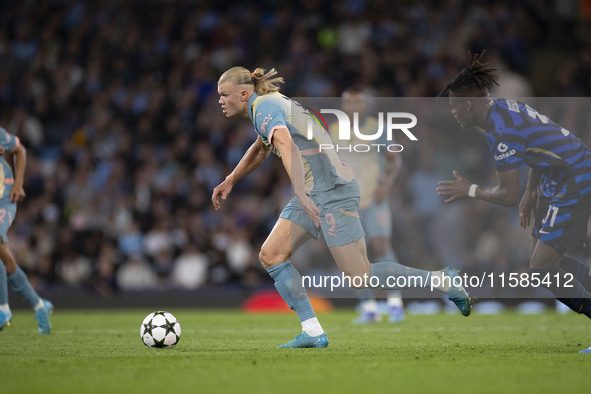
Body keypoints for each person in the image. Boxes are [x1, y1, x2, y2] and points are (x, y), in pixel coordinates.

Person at [212, 67, 471, 348]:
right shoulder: (266, 105)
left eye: (224, 94)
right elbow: (262, 148)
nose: (220, 101)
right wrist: (231, 179)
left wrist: (298, 190)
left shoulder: (264, 106)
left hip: (330, 190)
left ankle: (442, 280)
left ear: (243, 93)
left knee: (360, 275)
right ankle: (312, 332)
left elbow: (286, 145)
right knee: (272, 254)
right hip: (315, 189)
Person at [436, 52, 591, 353]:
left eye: (454, 107)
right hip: (559, 175)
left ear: (469, 105)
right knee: (545, 264)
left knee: (542, 268)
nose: (453, 113)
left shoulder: (500, 132)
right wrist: (531, 191)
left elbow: (507, 196)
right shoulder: (505, 109)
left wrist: (470, 190)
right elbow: (540, 144)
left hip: (573, 178)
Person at [328, 87, 404, 324]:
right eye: (348, 102)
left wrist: (387, 185)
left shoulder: (376, 128)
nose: (352, 107)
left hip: (373, 199)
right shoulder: (333, 130)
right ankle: (369, 308)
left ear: (364, 105)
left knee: (381, 246)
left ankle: (395, 304)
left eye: (357, 102)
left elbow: (396, 160)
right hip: (345, 202)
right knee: (352, 257)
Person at [0, 125, 53, 334]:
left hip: (4, 198)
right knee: (4, 256)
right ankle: (40, 305)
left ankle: (3, 310)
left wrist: (18, 184)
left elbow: (19, 149)